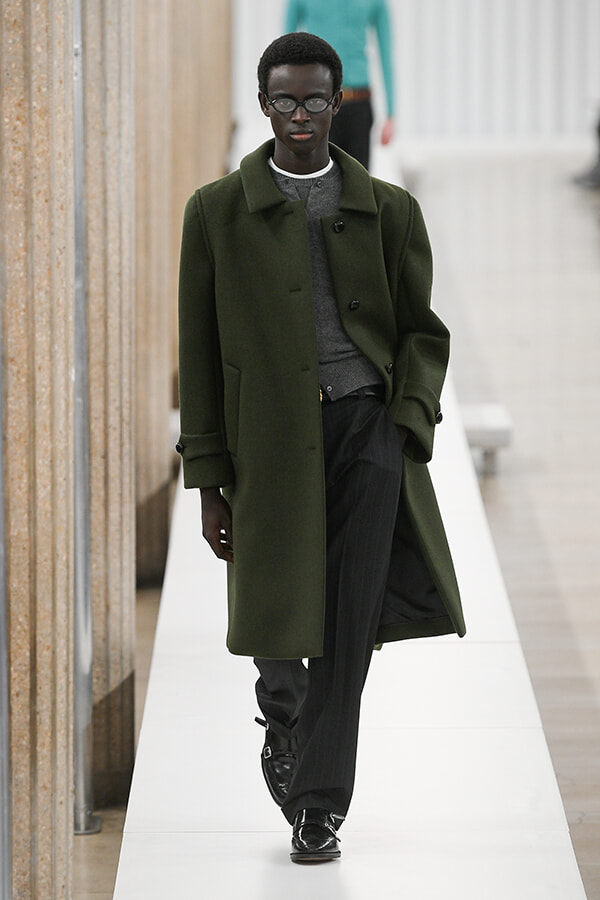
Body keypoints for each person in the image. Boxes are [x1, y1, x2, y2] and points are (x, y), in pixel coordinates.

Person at [176, 32, 465, 864]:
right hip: (265, 443)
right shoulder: (215, 212)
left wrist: (406, 422)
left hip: (366, 433)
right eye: (284, 99)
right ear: (263, 104)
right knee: (275, 617)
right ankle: (283, 714)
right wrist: (209, 480)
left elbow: (422, 332)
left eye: (313, 99)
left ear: (338, 103)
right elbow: (200, 350)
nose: (299, 114)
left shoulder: (390, 210)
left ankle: (318, 805)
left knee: (347, 625)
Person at [284, 0, 395, 170]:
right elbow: (286, 52)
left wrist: (390, 114)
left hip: (359, 103)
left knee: (358, 179)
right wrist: (288, 105)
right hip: (318, 103)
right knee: (318, 176)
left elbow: (386, 53)